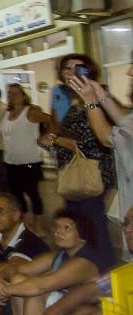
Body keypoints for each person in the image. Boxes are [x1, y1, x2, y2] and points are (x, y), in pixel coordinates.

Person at [43, 55, 116, 268]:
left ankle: (103, 277)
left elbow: (89, 143)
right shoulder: (73, 100)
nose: (70, 72)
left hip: (91, 175)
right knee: (81, 228)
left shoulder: (94, 98)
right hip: (75, 173)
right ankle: (84, 272)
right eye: (66, 68)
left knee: (92, 228)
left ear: (89, 71)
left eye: (77, 68)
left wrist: (55, 140)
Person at [0, 208, 113, 313]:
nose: (58, 232)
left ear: (82, 236)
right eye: (57, 226)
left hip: (85, 309)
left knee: (35, 293)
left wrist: (5, 290)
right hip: (65, 305)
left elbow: (42, 286)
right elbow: (17, 268)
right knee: (17, 278)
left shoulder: (84, 262)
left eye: (67, 228)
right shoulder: (61, 254)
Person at [1, 83, 54, 234]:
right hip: (11, 162)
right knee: (17, 196)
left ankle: (39, 226)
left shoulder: (30, 112)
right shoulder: (7, 113)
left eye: (15, 93)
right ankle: (25, 225)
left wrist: (46, 136)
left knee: (33, 194)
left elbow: (50, 120)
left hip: (30, 162)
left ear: (23, 96)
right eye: (10, 93)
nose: (12, 96)